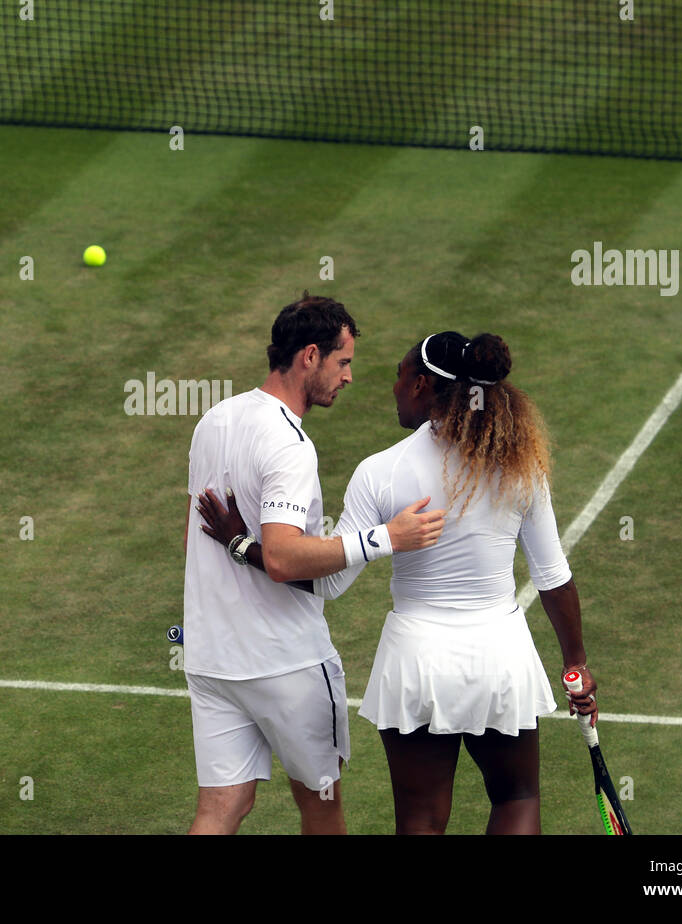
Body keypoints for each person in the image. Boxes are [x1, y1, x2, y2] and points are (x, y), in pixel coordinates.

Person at [197, 331, 597, 834]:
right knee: (516, 798)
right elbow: (553, 578)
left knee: (421, 820)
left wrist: (244, 546)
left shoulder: (380, 472)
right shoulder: (520, 465)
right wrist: (576, 665)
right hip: (502, 660)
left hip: (418, 665)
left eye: (400, 376)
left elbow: (329, 583)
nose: (393, 387)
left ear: (422, 385)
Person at [182, 294, 445, 835]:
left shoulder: (215, 420)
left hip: (212, 660)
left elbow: (201, 536)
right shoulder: (289, 443)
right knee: (323, 810)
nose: (348, 377)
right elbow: (281, 556)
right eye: (342, 362)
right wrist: (384, 537)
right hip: (286, 663)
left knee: (221, 808)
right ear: (309, 356)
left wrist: (238, 549)